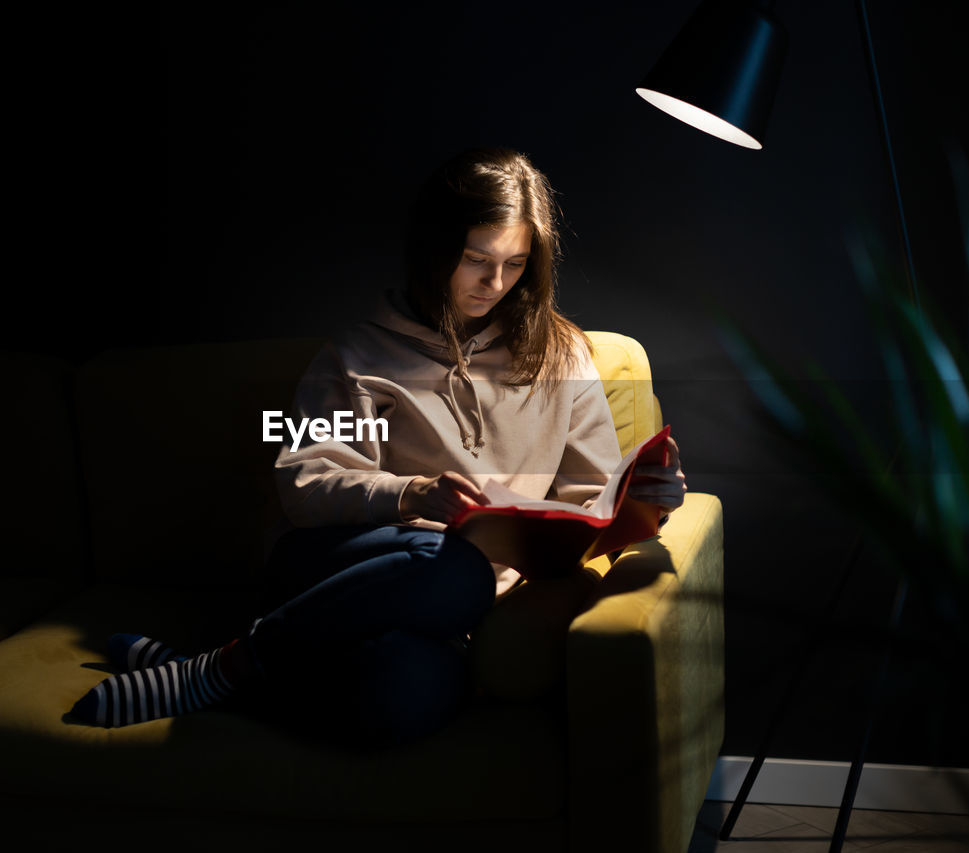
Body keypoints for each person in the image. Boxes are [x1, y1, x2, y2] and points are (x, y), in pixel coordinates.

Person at [68, 147, 686, 746]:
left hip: (453, 610)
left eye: (516, 263)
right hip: (341, 568)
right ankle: (228, 667)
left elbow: (591, 497)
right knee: (453, 565)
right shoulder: (357, 357)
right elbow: (305, 481)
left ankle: (220, 675)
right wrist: (411, 494)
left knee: (404, 695)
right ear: (433, 248)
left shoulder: (560, 356)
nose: (495, 282)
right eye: (476, 259)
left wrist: (646, 500)